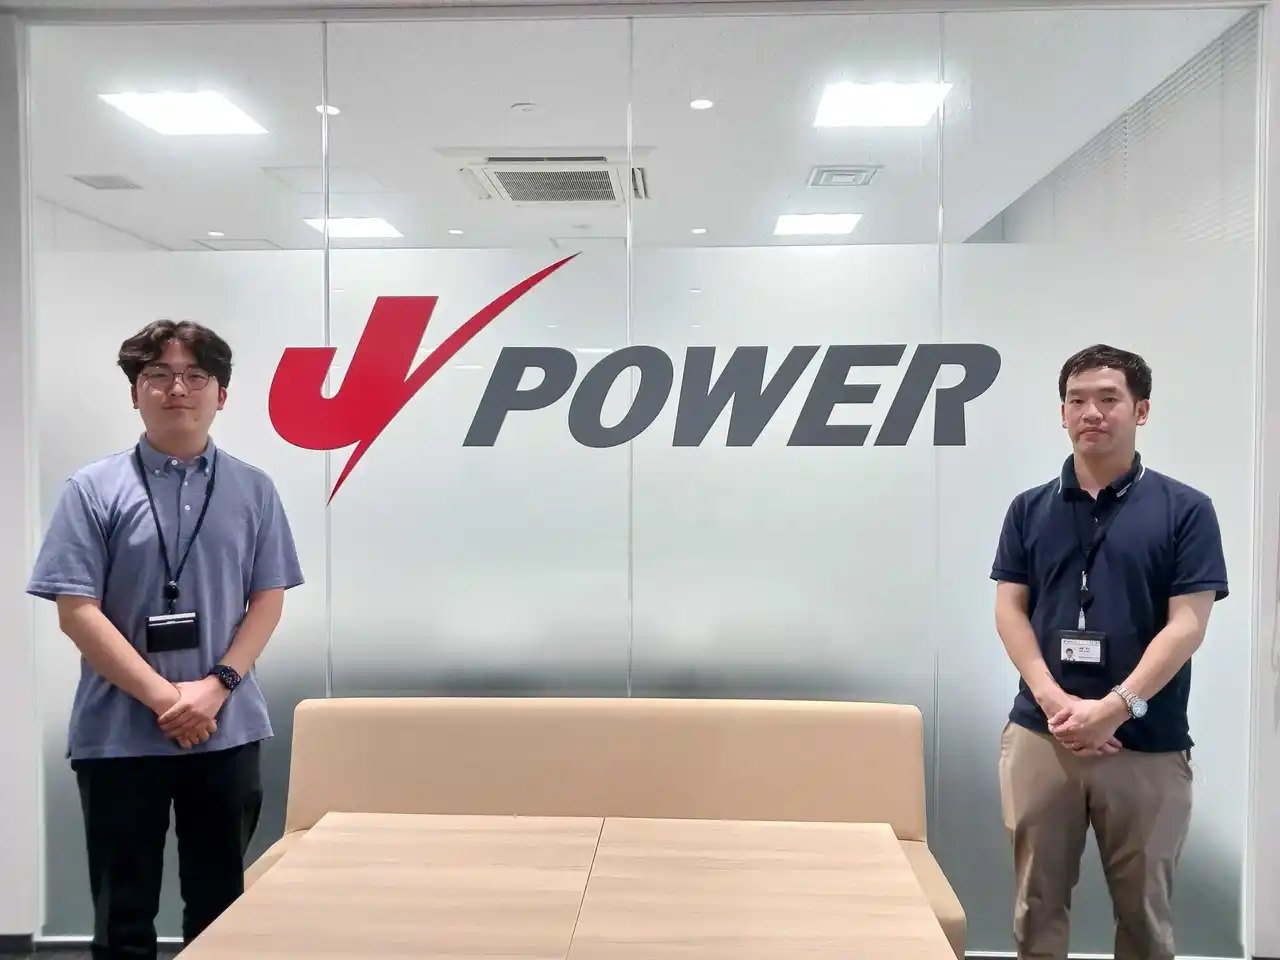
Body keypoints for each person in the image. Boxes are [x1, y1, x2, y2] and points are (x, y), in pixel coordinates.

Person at [27, 320, 305, 960]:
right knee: (122, 914)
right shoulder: (91, 489)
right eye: (158, 375)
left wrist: (217, 687)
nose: (177, 388)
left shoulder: (254, 489)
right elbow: (77, 611)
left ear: (221, 394)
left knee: (220, 904)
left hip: (225, 729)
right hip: (119, 734)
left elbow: (267, 600)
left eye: (194, 375)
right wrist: (165, 698)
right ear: (135, 394)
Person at [990, 344, 1227, 960]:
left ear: (1141, 411)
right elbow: (1010, 610)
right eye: (1077, 400)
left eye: (1108, 399)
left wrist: (1115, 708)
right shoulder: (1029, 508)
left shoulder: (1186, 510)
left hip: (1145, 742)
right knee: (1036, 908)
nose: (1090, 412)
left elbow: (1187, 625)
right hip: (1044, 736)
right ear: (1062, 414)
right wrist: (1055, 701)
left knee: (1144, 915)